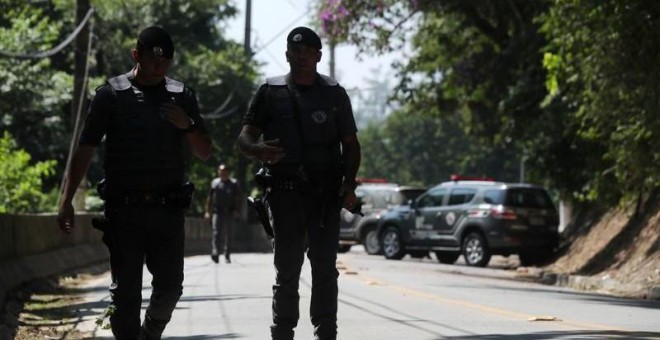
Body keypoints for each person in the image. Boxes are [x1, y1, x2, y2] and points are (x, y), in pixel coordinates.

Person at [57, 26, 211, 339]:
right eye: (154, 60)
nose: (160, 67)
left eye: (166, 62)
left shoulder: (182, 97)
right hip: (123, 212)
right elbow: (85, 148)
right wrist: (66, 198)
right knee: (125, 296)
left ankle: (149, 333)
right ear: (135, 55)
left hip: (167, 212)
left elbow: (205, 152)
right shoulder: (110, 96)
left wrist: (188, 124)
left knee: (170, 288)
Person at [237, 26, 361, 340]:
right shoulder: (270, 91)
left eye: (308, 51)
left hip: (325, 196)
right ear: (287, 55)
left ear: (318, 56)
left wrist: (349, 184)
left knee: (324, 267)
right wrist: (255, 149)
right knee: (287, 267)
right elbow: (246, 135)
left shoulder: (333, 93)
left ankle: (325, 331)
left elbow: (351, 143)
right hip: (284, 193)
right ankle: (282, 332)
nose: (301, 56)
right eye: (296, 51)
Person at [204, 163, 242, 264]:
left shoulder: (234, 183)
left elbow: (238, 198)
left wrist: (237, 211)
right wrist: (208, 211)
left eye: (224, 171)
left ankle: (227, 254)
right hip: (217, 211)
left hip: (229, 211)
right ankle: (215, 252)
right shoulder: (214, 183)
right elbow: (209, 198)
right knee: (216, 232)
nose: (222, 173)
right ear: (218, 172)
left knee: (228, 234)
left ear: (228, 173)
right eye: (221, 171)